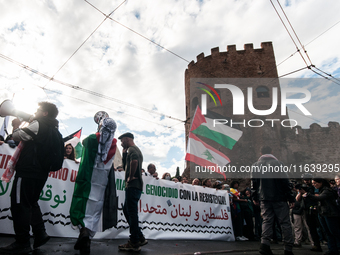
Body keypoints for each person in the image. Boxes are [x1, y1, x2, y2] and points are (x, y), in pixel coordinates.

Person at [0, 102, 59, 254]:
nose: (36, 111)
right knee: (31, 202)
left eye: (39, 110)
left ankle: (22, 242)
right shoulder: (54, 130)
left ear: (45, 113)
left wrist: (18, 126)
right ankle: (40, 233)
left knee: (19, 204)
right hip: (41, 173)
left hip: (27, 171)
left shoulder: (39, 124)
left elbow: (17, 136)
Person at [70, 117, 118, 254]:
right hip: (101, 183)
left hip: (87, 178)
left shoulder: (91, 138)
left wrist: (98, 131)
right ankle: (87, 239)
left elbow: (85, 143)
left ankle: (83, 231)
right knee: (94, 209)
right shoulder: (114, 143)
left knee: (81, 204)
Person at [252, 146, 294, 255]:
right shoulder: (278, 164)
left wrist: (255, 197)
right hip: (279, 197)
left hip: (264, 198)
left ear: (261, 153)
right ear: (271, 151)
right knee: (285, 222)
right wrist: (290, 197)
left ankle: (264, 244)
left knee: (267, 221)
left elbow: (254, 184)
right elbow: (285, 181)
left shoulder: (255, 166)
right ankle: (288, 248)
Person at [118, 132, 147, 252]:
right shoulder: (130, 150)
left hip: (133, 185)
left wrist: (130, 177)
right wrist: (124, 155)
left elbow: (134, 162)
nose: (121, 143)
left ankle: (134, 241)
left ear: (127, 139)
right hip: (134, 186)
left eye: (122, 140)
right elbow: (126, 166)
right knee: (127, 210)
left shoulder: (133, 149)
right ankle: (139, 236)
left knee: (131, 212)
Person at [301, 178, 340, 255]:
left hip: (330, 214)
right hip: (324, 213)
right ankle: (332, 249)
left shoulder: (327, 190)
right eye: (313, 183)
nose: (314, 185)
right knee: (328, 232)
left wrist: (308, 194)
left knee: (333, 232)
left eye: (315, 183)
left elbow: (320, 198)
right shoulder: (321, 190)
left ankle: (336, 248)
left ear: (321, 182)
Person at [296, 173, 322, 252]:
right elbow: (298, 199)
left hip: (313, 209)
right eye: (305, 180)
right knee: (311, 228)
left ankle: (316, 244)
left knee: (315, 228)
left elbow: (317, 197)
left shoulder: (314, 187)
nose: (306, 181)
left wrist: (306, 193)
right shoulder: (304, 188)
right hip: (305, 209)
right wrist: (300, 192)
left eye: (307, 180)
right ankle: (315, 245)